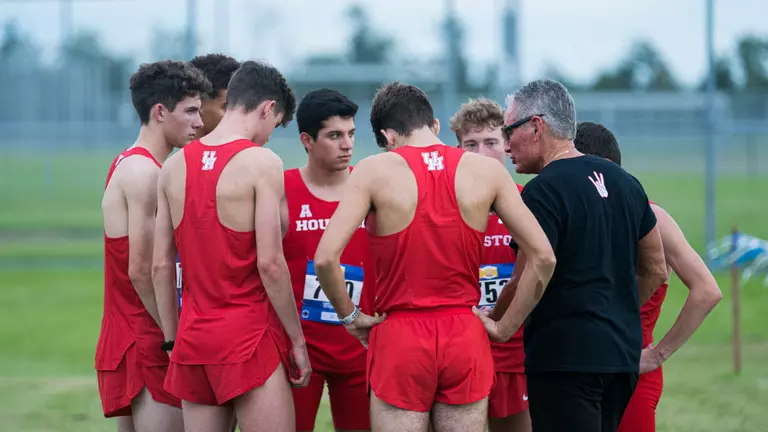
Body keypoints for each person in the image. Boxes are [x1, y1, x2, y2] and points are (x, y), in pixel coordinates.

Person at [312, 82, 557, 432]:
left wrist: (349, 316)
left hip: (400, 337)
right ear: (436, 125)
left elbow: (325, 259)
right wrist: (505, 327)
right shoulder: (487, 171)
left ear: (388, 136)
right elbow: (544, 257)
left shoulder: (373, 170)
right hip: (465, 334)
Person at [486, 79, 669, 432]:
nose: (506, 144)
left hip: (565, 359)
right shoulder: (627, 183)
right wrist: (615, 311)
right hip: (621, 356)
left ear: (536, 126)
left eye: (509, 130)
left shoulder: (542, 191)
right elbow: (657, 269)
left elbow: (524, 276)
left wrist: (496, 325)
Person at [151, 60, 311, 432]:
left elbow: (160, 266)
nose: (268, 137)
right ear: (267, 108)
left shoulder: (173, 167)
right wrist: (297, 340)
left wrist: (173, 341)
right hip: (248, 337)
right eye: (274, 124)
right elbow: (270, 264)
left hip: (193, 341)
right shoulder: (261, 162)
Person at [574, 121, 723, 432]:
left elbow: (707, 290)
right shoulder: (568, 213)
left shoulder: (650, 216)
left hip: (630, 366)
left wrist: (658, 354)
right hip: (572, 366)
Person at [96, 60, 210, 432]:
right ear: (160, 112)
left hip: (134, 334)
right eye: (190, 111)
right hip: (147, 338)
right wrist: (176, 339)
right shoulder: (145, 173)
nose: (199, 122)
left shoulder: (130, 163)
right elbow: (141, 270)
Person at [282, 88, 372, 432]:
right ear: (307, 140)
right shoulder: (281, 190)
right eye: (334, 136)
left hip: (360, 343)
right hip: (299, 346)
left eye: (351, 134)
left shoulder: (371, 188)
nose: (347, 144)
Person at [449, 98, 531, 432]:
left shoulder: (530, 202)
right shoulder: (443, 206)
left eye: (491, 142)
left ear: (508, 146)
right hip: (456, 349)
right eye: (471, 144)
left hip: (514, 351)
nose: (481, 154)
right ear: (457, 149)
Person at [175, 53, 241, 311]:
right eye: (227, 108)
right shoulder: (172, 171)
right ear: (199, 104)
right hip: (188, 321)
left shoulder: (246, 166)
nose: (237, 118)